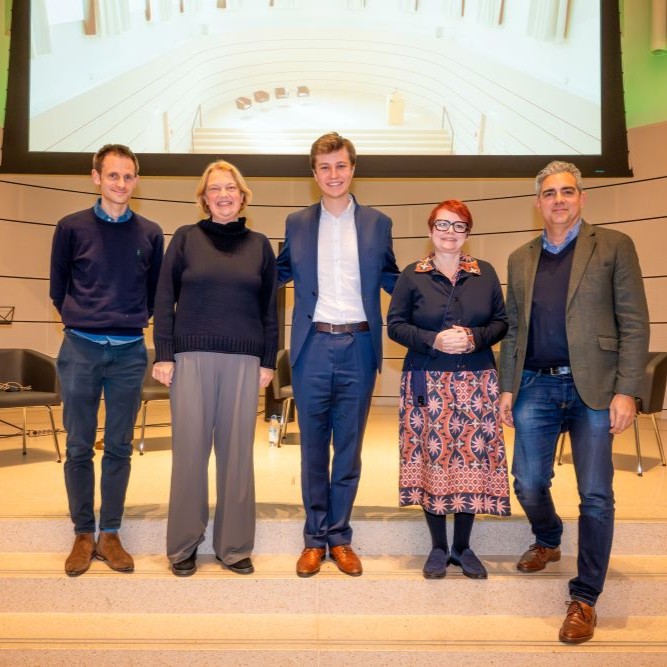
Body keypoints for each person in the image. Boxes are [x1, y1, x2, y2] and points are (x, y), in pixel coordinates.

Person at [499, 161, 649, 644]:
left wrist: (627, 390)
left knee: (596, 494)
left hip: (596, 389)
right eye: (549, 193)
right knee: (528, 482)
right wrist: (507, 387)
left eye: (567, 191)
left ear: (581, 198)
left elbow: (634, 323)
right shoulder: (519, 258)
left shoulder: (615, 246)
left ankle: (584, 598)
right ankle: (548, 538)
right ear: (537, 203)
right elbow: (514, 332)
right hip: (536, 385)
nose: (558, 200)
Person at [277, 132, 400, 577]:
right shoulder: (296, 223)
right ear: (314, 173)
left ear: (353, 169)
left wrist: (438, 289)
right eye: (325, 167)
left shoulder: (378, 223)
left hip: (359, 348)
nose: (334, 174)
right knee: (313, 448)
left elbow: (393, 278)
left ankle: (340, 537)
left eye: (341, 165)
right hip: (311, 347)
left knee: (348, 449)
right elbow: (276, 273)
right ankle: (314, 539)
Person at [152, 160, 278, 577]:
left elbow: (270, 310)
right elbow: (164, 298)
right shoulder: (185, 239)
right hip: (190, 359)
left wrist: (268, 361)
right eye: (214, 189)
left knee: (237, 457)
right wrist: (164, 353)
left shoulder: (260, 245)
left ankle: (234, 546)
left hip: (244, 362)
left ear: (243, 196)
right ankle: (183, 545)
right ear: (204, 198)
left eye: (230, 188)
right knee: (189, 455)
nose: (223, 195)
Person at [50, 144, 164, 576]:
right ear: (96, 177)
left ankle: (110, 533)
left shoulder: (151, 233)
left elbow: (155, 294)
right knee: (78, 446)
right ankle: (83, 533)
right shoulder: (70, 227)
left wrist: (125, 322)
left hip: (130, 353)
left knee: (119, 446)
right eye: (113, 175)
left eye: (128, 176)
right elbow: (58, 289)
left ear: (137, 180)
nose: (121, 183)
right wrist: (88, 319)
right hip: (80, 349)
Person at [387, 200, 510, 580]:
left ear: (468, 233)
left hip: (476, 381)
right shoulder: (412, 275)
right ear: (430, 230)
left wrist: (474, 337)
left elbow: (502, 323)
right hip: (426, 382)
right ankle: (439, 547)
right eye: (443, 224)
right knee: (432, 460)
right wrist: (433, 340)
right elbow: (395, 325)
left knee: (470, 461)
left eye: (459, 226)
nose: (450, 232)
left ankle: (463, 547)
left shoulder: (485, 273)